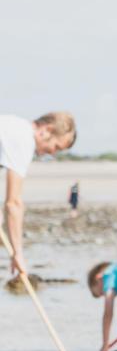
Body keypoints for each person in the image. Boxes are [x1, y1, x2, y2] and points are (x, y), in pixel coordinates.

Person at [1, 112, 77, 275]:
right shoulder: (23, 139)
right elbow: (13, 203)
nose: (52, 153)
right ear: (46, 130)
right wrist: (18, 253)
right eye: (56, 147)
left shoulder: (13, 127)